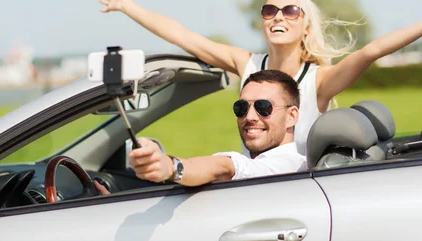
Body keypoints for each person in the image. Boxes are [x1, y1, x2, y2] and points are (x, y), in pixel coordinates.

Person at [99, 0, 422, 156]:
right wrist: (128, 6)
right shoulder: (246, 63)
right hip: (253, 184)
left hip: (297, 196)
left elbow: (371, 51)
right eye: (270, 10)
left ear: (304, 24)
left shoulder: (319, 80)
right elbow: (184, 36)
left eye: (289, 10)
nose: (277, 16)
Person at [94, 69, 306, 194]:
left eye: (263, 107)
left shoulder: (284, 165)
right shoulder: (277, 165)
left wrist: (170, 167)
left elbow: (224, 167)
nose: (250, 117)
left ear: (291, 116)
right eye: (241, 108)